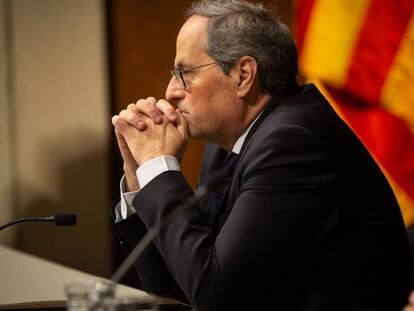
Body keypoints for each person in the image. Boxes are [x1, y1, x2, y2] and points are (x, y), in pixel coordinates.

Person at [110, 0, 414, 310]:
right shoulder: (227, 146)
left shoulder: (293, 142)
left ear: (243, 75)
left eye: (185, 73)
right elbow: (180, 285)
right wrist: (140, 178)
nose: (171, 91)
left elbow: (217, 297)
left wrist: (159, 170)